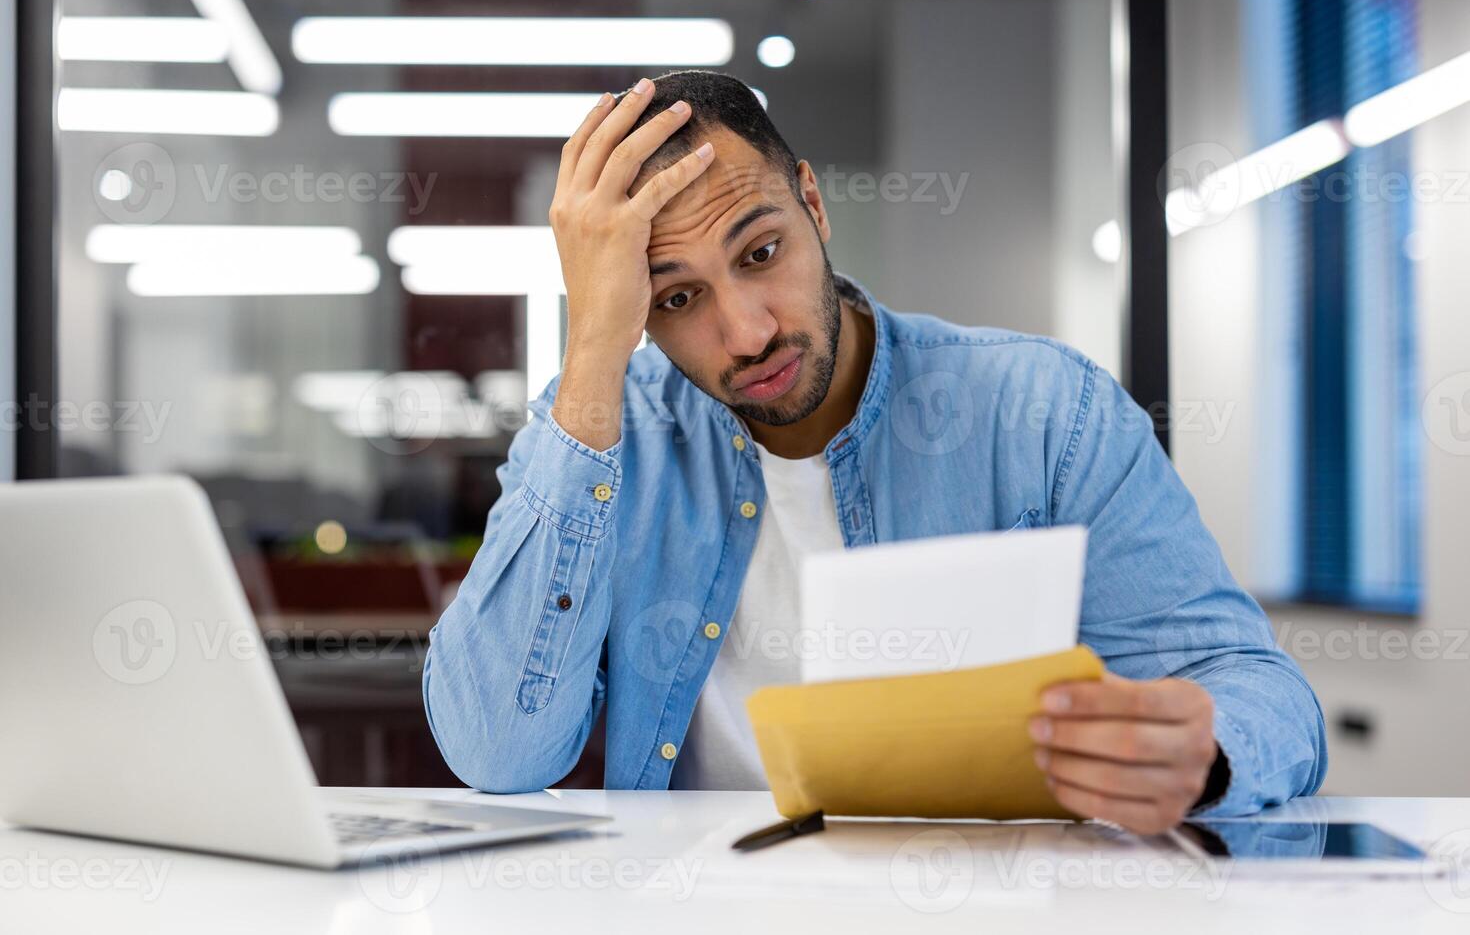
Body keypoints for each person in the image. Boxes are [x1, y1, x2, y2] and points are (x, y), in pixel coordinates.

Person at [422, 70, 1326, 833]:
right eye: (676, 300)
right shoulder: (605, 437)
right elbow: (499, 751)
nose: (745, 331)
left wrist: (1201, 753)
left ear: (813, 204)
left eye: (762, 250)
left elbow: (1261, 696)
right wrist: (590, 355)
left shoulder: (1044, 415)